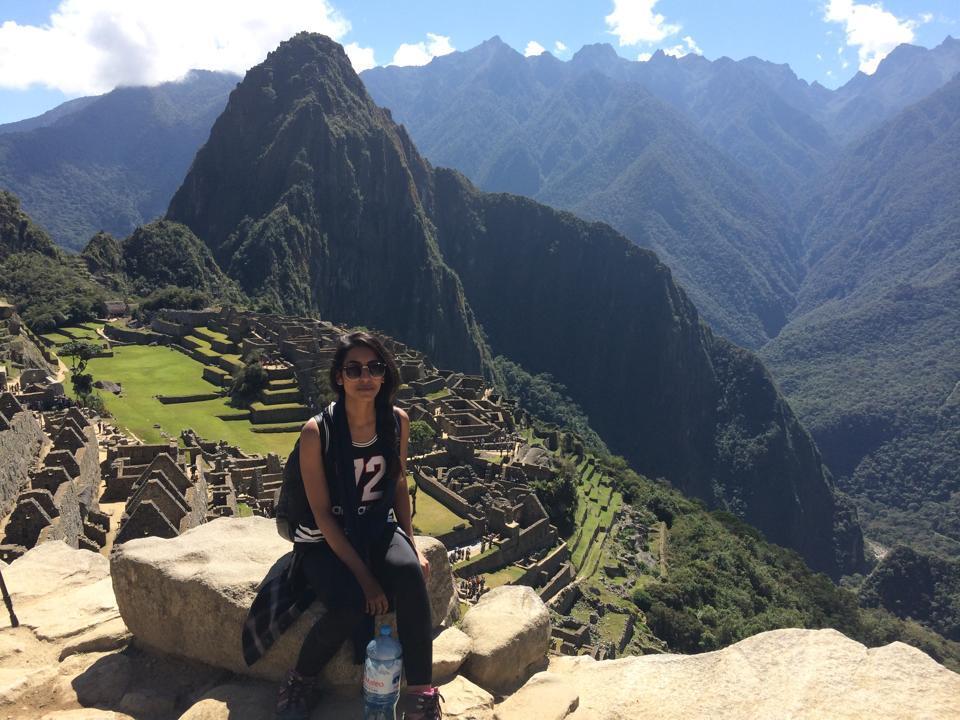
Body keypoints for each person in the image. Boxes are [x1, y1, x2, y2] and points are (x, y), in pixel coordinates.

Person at [272, 332, 442, 720]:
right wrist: (366, 579)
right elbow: (321, 514)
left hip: (374, 528)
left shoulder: (397, 422)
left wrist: (411, 543)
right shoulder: (319, 433)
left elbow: (398, 481)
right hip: (322, 539)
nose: (365, 377)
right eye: (354, 369)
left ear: (385, 375)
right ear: (338, 378)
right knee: (351, 604)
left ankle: (420, 694)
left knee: (411, 576)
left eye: (374, 368)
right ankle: (300, 678)